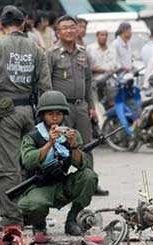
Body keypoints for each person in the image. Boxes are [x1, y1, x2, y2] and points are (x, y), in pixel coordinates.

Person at [0, 5, 51, 230]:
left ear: (1, 25)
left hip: (5, 115)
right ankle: (33, 215)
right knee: (30, 164)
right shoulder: (36, 49)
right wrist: (47, 119)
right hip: (31, 113)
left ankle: (12, 218)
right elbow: (46, 86)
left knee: (6, 167)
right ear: (23, 24)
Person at [17, 91, 98, 242]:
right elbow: (28, 161)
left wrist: (73, 146)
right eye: (50, 114)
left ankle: (73, 218)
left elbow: (82, 165)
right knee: (34, 204)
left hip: (61, 184)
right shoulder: (33, 136)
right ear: (42, 115)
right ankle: (39, 226)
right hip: (39, 187)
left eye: (59, 114)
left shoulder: (69, 134)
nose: (55, 117)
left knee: (89, 176)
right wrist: (49, 143)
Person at [47, 15, 108, 196]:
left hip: (81, 107)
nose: (69, 31)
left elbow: (88, 81)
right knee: (59, 146)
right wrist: (50, 110)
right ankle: (59, 185)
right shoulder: (51, 54)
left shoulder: (83, 53)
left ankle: (90, 181)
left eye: (72, 27)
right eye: (65, 28)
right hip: (61, 109)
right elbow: (46, 83)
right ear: (58, 32)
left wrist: (91, 106)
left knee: (86, 146)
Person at [87, 27, 119, 108]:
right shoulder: (90, 49)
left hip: (109, 81)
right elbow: (88, 67)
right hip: (95, 81)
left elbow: (116, 65)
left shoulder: (112, 49)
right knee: (97, 105)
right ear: (97, 36)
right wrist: (102, 70)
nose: (104, 37)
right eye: (102, 35)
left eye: (106, 35)